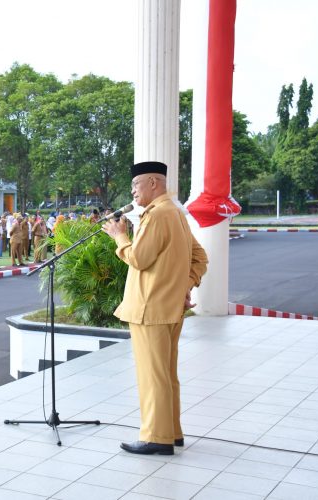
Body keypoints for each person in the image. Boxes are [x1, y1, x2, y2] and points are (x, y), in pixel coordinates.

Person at [102, 161, 208, 456]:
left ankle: (156, 437)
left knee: (153, 375)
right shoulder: (174, 213)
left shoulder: (157, 214)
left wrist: (119, 236)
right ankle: (171, 432)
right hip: (168, 307)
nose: (133, 191)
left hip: (150, 309)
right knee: (165, 374)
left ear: (152, 183)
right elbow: (200, 259)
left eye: (136, 185)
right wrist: (183, 286)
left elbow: (139, 258)